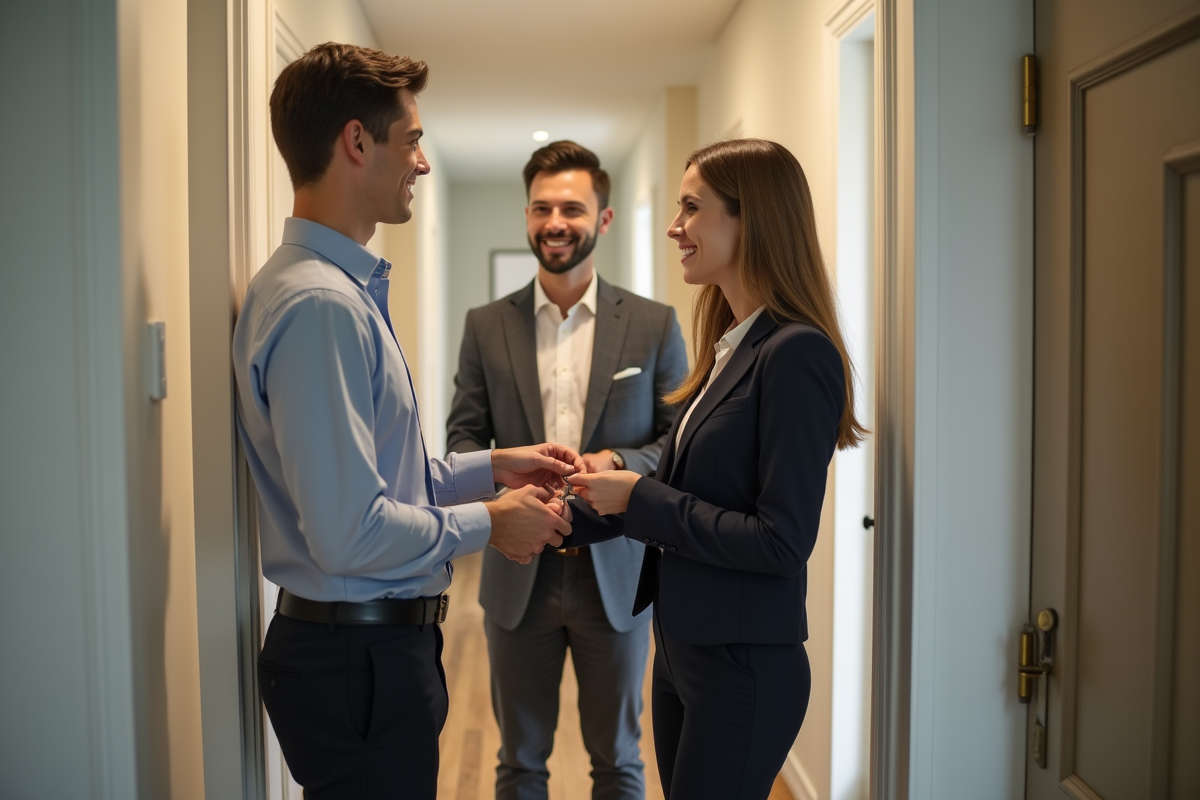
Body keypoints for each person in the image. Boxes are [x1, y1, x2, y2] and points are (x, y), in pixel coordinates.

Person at [232, 43, 581, 799]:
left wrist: (492, 467)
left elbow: (387, 480)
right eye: (413, 140)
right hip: (355, 662)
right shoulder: (320, 306)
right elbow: (351, 529)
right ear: (357, 142)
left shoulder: (332, 290)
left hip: (365, 652)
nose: (421, 163)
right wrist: (491, 522)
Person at [565, 138, 867, 800]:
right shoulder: (730, 345)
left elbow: (781, 541)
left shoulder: (796, 354)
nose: (676, 226)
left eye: (692, 208)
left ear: (749, 219)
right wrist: (562, 516)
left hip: (743, 666)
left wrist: (638, 495)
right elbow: (683, 494)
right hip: (682, 651)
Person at [446, 140, 688, 800]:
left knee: (618, 759)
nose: (556, 222)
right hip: (515, 572)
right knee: (519, 762)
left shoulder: (653, 324)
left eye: (573, 208)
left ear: (603, 220)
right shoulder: (484, 326)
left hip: (615, 573)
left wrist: (615, 460)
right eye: (543, 207)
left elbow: (677, 444)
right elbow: (463, 436)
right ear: (526, 215)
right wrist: (506, 494)